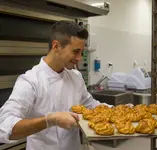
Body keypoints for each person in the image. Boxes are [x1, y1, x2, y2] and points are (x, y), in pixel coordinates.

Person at [0, 21, 106, 150]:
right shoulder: (31, 81)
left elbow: (91, 105)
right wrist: (49, 120)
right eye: (76, 51)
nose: (79, 58)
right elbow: (4, 126)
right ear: (56, 46)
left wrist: (121, 110)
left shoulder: (75, 76)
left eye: (81, 52)